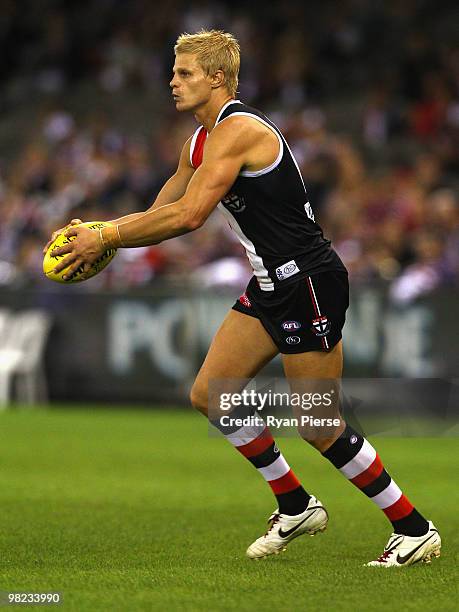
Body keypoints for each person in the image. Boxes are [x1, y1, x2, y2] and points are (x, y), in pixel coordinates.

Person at [46, 30, 441, 566]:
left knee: (318, 423)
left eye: (184, 72)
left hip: (307, 281)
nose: (173, 81)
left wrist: (108, 236)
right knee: (212, 394)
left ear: (217, 78)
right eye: (174, 71)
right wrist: (106, 232)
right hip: (270, 282)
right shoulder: (199, 140)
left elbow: (189, 217)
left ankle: (413, 528)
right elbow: (169, 202)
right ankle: (295, 504)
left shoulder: (239, 130)